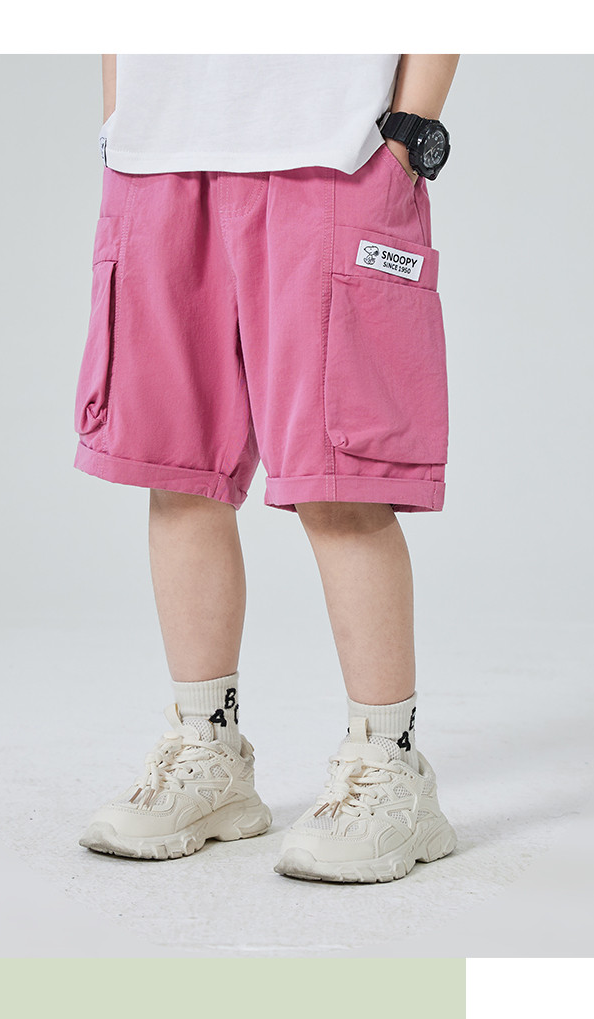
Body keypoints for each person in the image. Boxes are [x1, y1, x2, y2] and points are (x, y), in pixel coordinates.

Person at [74, 53, 460, 883]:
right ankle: (206, 748)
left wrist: (408, 130)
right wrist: (121, 118)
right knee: (177, 470)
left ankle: (390, 764)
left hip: (336, 148)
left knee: (341, 478)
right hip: (157, 154)